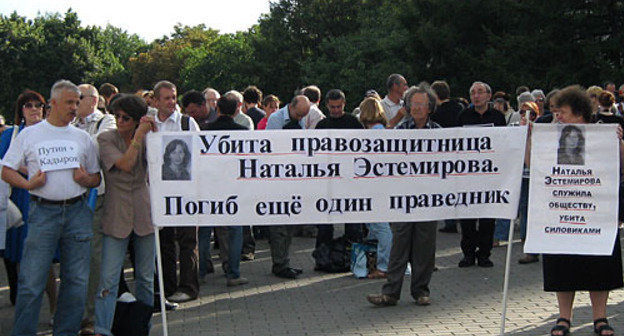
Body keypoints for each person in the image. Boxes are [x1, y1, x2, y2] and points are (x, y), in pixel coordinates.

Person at [3, 80, 101, 335]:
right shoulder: (30, 135)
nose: (74, 107)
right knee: (31, 281)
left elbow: (96, 177)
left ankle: (66, 331)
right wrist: (26, 184)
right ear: (53, 103)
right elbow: (6, 169)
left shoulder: (82, 138)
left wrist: (85, 180)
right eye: (70, 102)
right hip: (43, 212)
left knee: (76, 281)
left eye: (77, 102)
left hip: (78, 211)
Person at [527, 85, 622, 336]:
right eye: (556, 112)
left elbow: (619, 164)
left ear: (580, 113)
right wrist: (528, 138)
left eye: (563, 113)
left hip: (595, 214)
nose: (557, 117)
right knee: (562, 263)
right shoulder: (550, 136)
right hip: (561, 215)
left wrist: (620, 142)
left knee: (599, 264)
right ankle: (563, 318)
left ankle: (600, 318)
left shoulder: (602, 134)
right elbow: (531, 164)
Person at [367, 84, 439, 306]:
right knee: (399, 246)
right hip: (402, 199)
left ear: (429, 108)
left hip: (428, 199)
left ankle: (420, 291)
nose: (416, 108)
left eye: (421, 104)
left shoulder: (439, 132)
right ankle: (390, 292)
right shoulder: (398, 131)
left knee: (425, 248)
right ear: (407, 106)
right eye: (413, 104)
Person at [93, 94, 157, 336]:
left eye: (126, 117)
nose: (120, 121)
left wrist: (154, 135)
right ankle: (102, 328)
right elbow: (126, 164)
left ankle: (143, 326)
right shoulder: (106, 138)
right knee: (108, 278)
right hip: (116, 213)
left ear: (137, 119)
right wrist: (139, 137)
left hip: (144, 212)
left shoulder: (151, 138)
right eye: (117, 116)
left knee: (146, 278)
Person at [0, 90, 58, 321]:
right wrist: (28, 171)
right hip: (20, 199)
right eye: (28, 105)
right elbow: (4, 166)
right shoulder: (10, 135)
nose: (34, 109)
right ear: (21, 110)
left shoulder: (51, 133)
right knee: (22, 261)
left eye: (38, 105)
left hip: (46, 199)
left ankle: (54, 309)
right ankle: (27, 315)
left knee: (45, 263)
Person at [73, 83, 117, 335]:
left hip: (96, 197)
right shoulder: (72, 124)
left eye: (77, 99)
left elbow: (96, 147)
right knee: (75, 257)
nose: (73, 104)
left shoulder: (106, 121)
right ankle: (78, 311)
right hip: (73, 197)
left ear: (92, 100)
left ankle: (92, 314)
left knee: (94, 256)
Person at [152, 80, 200, 304]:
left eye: (174, 97)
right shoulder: (149, 124)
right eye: (167, 98)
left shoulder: (187, 123)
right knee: (163, 242)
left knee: (188, 240)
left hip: (185, 192)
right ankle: (166, 288)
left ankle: (188, 287)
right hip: (158, 193)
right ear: (155, 101)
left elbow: (199, 154)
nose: (172, 102)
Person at [457, 81, 506, 268]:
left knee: (487, 217)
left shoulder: (498, 117)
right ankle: (468, 254)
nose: (476, 96)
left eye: (480, 92)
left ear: (488, 96)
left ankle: (484, 254)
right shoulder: (463, 116)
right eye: (473, 93)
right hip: (468, 175)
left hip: (490, 175)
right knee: (467, 217)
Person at [205, 95, 250, 286]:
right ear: (236, 110)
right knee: (235, 231)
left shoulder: (205, 130)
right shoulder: (243, 131)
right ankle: (233, 273)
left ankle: (200, 273)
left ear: (218, 109)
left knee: (204, 231)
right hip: (234, 186)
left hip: (209, 186)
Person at [265, 95, 311, 279]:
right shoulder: (276, 120)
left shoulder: (299, 120)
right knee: (279, 226)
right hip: (278, 180)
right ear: (291, 108)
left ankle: (284, 261)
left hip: (293, 178)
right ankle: (280, 264)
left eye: (303, 116)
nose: (300, 119)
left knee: (290, 224)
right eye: (299, 115)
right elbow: (272, 148)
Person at [314, 89, 364, 252]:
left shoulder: (353, 122)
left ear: (344, 104)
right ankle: (323, 254)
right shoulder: (322, 125)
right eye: (332, 107)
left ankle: (355, 255)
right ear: (327, 106)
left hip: (350, 179)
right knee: (325, 224)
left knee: (353, 222)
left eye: (338, 107)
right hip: (328, 180)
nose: (335, 110)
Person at [356, 97, 393, 279]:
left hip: (376, 187)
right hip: (377, 186)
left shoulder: (374, 133)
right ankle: (376, 262)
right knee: (374, 226)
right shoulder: (379, 131)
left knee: (380, 226)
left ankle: (385, 266)